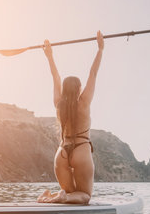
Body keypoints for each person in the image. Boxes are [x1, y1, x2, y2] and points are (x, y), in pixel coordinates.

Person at [38, 31, 104, 204]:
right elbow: (93, 74)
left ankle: (56, 196)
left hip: (62, 152)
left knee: (70, 192)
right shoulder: (84, 103)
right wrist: (100, 49)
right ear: (79, 88)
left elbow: (55, 77)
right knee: (85, 196)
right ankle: (62, 196)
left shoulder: (58, 103)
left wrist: (49, 56)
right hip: (81, 148)